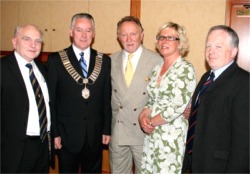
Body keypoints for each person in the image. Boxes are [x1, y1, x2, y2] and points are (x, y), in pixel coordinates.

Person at [47, 13, 111, 173]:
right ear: (71, 32)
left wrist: (106, 129)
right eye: (79, 30)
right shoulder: (56, 60)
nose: (84, 35)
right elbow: (51, 101)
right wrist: (54, 133)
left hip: (95, 135)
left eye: (88, 30)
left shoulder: (104, 60)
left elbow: (106, 98)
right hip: (66, 135)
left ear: (94, 34)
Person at [182, 25, 249, 173]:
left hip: (220, 167)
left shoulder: (244, 82)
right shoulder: (206, 77)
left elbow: (243, 142)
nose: (211, 51)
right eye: (208, 46)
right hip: (197, 161)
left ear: (234, 52)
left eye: (218, 46)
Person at [138, 22, 197, 174]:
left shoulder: (185, 69)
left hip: (171, 137)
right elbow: (151, 99)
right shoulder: (157, 68)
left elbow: (177, 107)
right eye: (161, 37)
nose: (164, 41)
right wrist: (143, 115)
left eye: (170, 38)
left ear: (180, 43)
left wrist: (150, 122)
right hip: (152, 136)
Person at [109, 16, 162, 174]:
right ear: (118, 37)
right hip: (118, 131)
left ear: (142, 34)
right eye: (123, 34)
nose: (129, 39)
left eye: (133, 34)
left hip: (144, 131)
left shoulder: (157, 61)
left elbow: (163, 97)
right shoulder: (111, 60)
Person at [1, 24, 53, 173]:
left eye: (37, 41)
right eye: (27, 39)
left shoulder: (42, 69)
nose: (33, 45)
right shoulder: (3, 68)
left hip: (43, 146)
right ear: (14, 42)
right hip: (14, 150)